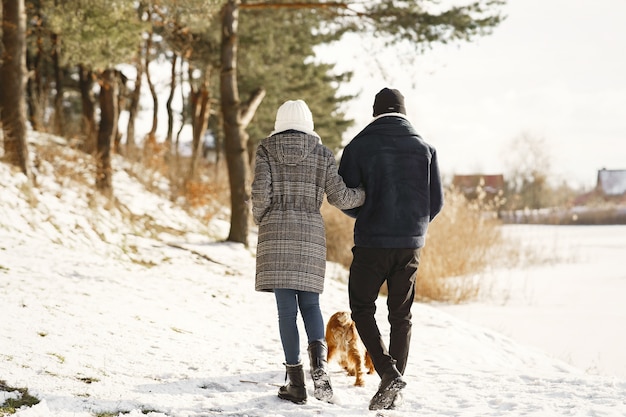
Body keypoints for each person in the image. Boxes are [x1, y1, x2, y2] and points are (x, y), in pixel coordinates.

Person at [251, 99, 365, 405]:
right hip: (310, 234)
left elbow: (260, 195)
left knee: (286, 311)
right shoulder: (322, 153)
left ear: (278, 124)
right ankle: (320, 370)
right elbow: (340, 197)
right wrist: (368, 193)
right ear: (309, 124)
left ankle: (296, 382)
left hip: (275, 234)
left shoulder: (265, 150)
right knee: (311, 305)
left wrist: (262, 218)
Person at [338, 87, 444, 410]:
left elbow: (347, 194)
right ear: (403, 112)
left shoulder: (358, 145)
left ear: (375, 113)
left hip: (371, 242)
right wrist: (414, 227)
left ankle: (388, 373)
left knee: (361, 306)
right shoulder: (426, 148)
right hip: (410, 245)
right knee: (401, 315)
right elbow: (436, 202)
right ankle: (393, 385)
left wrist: (366, 214)